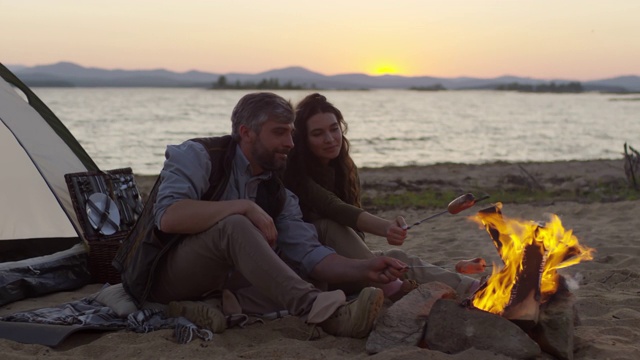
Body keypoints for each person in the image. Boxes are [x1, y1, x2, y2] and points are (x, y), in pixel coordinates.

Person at [115, 92, 409, 339]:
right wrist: (243, 206)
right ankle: (318, 311)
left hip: (224, 279)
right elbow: (168, 216)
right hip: (163, 274)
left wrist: (365, 268)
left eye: (291, 133)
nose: (291, 144)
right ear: (246, 132)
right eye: (279, 132)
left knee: (308, 275)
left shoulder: (276, 190)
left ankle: (214, 305)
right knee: (235, 225)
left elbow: (311, 254)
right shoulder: (199, 155)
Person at [283, 93, 479, 299]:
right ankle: (393, 287)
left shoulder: (343, 168)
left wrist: (376, 250)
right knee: (327, 224)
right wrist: (386, 228)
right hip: (314, 270)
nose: (330, 139)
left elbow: (354, 231)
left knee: (397, 257)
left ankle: (473, 287)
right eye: (317, 133)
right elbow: (335, 207)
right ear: (302, 139)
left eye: (334, 129)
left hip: (349, 263)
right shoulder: (294, 173)